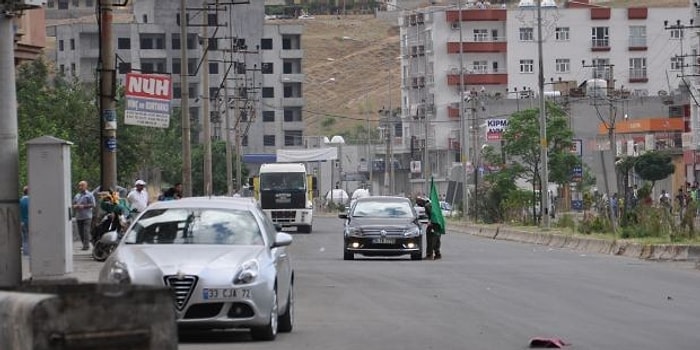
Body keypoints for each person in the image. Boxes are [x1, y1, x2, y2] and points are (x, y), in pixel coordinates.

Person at [73, 180, 96, 250]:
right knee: (81, 232)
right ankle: (84, 244)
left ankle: (86, 246)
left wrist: (84, 206)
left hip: (87, 216)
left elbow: (93, 204)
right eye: (79, 186)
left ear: (86, 186)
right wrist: (75, 206)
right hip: (79, 216)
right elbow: (73, 203)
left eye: (82, 185)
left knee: (86, 231)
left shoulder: (89, 195)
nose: (80, 187)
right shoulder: (77, 195)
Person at [19, 186, 29, 256]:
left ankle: (26, 252)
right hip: (30, 221)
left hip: (22, 222)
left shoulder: (20, 201)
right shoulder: (31, 200)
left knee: (24, 238)